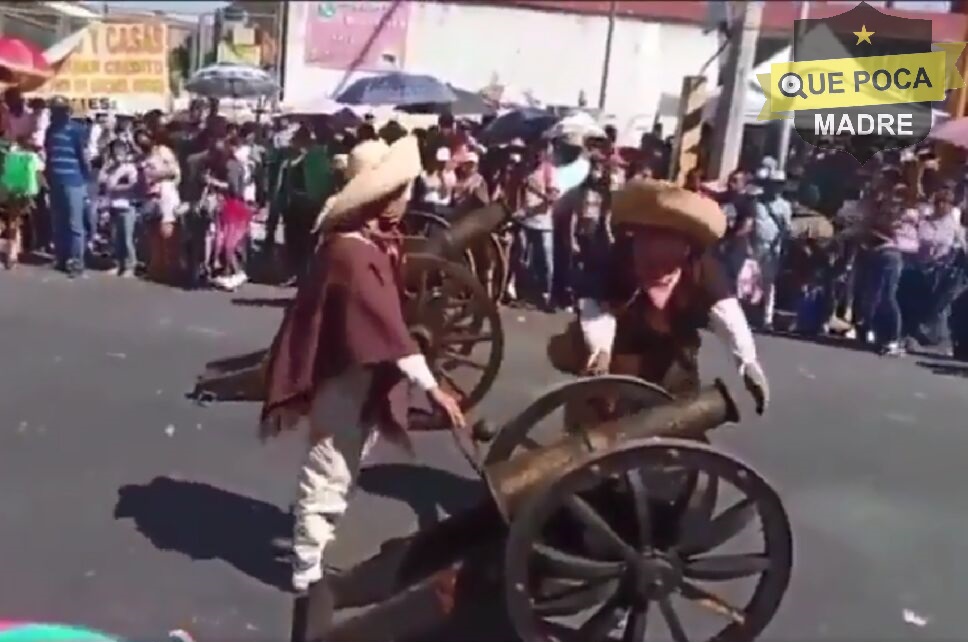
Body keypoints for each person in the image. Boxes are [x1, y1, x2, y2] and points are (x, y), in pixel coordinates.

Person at [259, 136, 466, 592]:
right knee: (329, 461)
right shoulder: (351, 253)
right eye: (398, 190)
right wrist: (431, 387)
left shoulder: (371, 244)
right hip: (342, 372)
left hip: (363, 371)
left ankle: (315, 534)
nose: (406, 198)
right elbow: (385, 327)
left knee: (346, 462)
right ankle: (306, 566)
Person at [557, 178, 768, 413]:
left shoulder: (701, 270)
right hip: (618, 360)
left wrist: (748, 363)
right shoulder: (616, 260)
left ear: (686, 244)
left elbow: (727, 315)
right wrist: (600, 350)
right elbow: (595, 308)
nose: (648, 245)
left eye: (662, 237)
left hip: (674, 363)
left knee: (683, 417)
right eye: (644, 235)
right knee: (601, 415)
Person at [44, 96, 91, 278]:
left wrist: (84, 181)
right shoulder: (50, 130)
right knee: (59, 222)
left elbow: (83, 157)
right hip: (55, 181)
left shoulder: (77, 130)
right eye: (54, 109)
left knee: (74, 224)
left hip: (74, 181)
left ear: (67, 111)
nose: (57, 113)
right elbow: (49, 155)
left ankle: (77, 262)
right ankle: (62, 259)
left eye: (60, 109)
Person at [98, 138, 141, 277]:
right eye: (114, 150)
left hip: (127, 205)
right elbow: (102, 181)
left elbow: (134, 186)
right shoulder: (110, 168)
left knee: (127, 237)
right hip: (113, 205)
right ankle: (117, 263)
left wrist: (116, 188)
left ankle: (130, 265)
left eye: (120, 150)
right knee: (115, 237)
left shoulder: (130, 168)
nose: (117, 153)